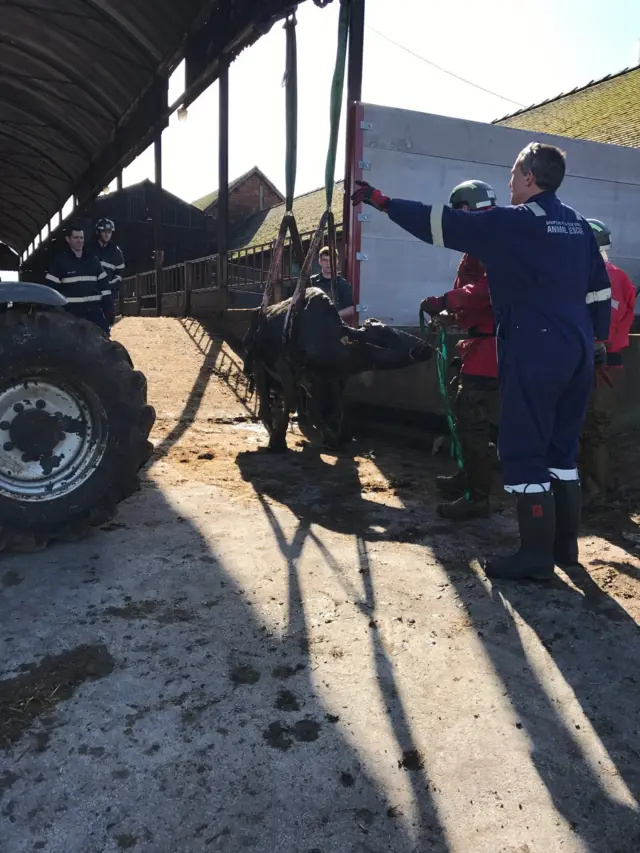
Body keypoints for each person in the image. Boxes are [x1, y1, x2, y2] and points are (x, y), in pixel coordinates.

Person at [351, 141, 611, 581]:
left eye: (513, 172)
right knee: (562, 453)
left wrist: (381, 201)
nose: (508, 181)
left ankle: (534, 559)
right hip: (579, 350)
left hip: (535, 348)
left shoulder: (513, 224)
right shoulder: (579, 226)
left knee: (524, 450)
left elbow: (439, 223)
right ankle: (566, 550)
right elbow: (599, 291)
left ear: (530, 177)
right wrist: (596, 337)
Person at [421, 180, 500, 521]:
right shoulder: (481, 242)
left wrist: (446, 301)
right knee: (466, 417)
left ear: (466, 209)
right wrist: (447, 313)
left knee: (472, 420)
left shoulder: (491, 242)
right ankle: (468, 479)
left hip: (491, 348)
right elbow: (472, 295)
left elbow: (487, 289)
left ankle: (478, 498)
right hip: (479, 342)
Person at [580, 219, 636, 502]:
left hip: (601, 365)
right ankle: (585, 486)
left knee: (594, 429)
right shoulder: (602, 275)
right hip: (591, 364)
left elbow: (605, 326)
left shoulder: (610, 278)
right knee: (584, 428)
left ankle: (594, 493)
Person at [46, 225, 113, 335]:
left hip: (94, 315)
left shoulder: (93, 260)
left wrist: (109, 310)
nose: (79, 241)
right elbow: (51, 291)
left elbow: (105, 288)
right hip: (72, 315)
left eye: (81, 238)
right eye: (76, 238)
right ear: (68, 239)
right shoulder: (60, 263)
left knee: (102, 345)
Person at [310, 246, 356, 324]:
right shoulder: (312, 281)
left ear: (336, 261)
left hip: (335, 327)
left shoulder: (342, 283)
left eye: (332, 260)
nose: (328, 263)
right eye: (325, 260)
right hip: (313, 325)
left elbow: (351, 309)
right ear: (320, 262)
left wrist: (332, 315)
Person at [91, 217, 125, 323]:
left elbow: (120, 273)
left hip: (108, 294)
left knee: (107, 321)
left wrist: (110, 284)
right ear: (98, 232)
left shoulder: (116, 251)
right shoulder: (89, 249)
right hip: (91, 293)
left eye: (109, 232)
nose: (107, 235)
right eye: (104, 232)